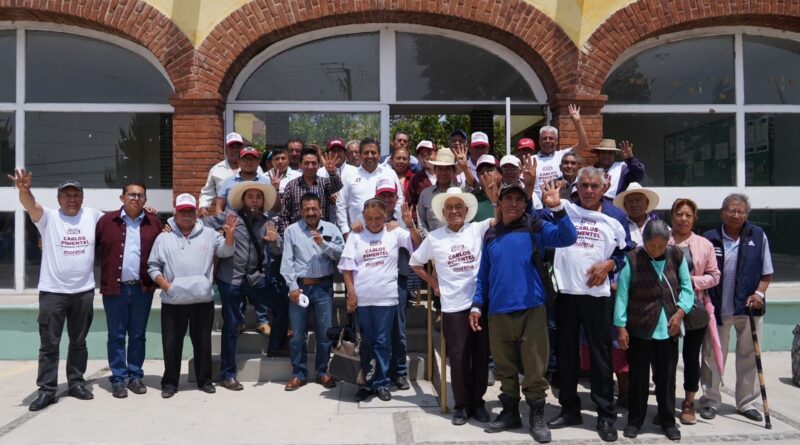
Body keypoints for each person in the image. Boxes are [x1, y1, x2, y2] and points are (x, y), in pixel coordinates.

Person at [469, 181, 577, 443]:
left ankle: (536, 415)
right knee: (504, 367)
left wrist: (558, 208)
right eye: (509, 199)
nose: (514, 203)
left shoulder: (535, 227)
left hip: (532, 309)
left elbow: (568, 238)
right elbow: (484, 274)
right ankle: (510, 413)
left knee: (535, 366)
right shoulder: (491, 234)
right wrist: (477, 304)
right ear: (500, 203)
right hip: (498, 311)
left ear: (525, 204)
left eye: (519, 199)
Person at [549, 166, 631, 443]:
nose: (588, 191)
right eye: (583, 185)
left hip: (598, 297)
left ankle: (606, 415)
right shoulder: (564, 209)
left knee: (600, 356)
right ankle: (570, 409)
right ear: (577, 187)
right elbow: (538, 221)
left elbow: (626, 250)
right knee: (566, 355)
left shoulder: (616, 216)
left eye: (594, 186)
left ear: (603, 188)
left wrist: (610, 264)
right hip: (566, 293)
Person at [9, 171, 103, 411]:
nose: (72, 199)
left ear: (82, 198)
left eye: (76, 195)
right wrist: (24, 190)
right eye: (67, 195)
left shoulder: (92, 216)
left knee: (79, 342)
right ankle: (47, 390)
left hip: (83, 291)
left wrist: (149, 213)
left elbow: (118, 223)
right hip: (53, 292)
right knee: (49, 344)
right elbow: (30, 205)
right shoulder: (48, 217)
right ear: (59, 198)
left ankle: (76, 383)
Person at [410, 187, 495, 425]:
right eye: (450, 207)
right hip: (452, 305)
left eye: (459, 207)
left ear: (466, 211)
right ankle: (462, 405)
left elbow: (498, 220)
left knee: (480, 355)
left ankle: (478, 403)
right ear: (443, 212)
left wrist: (494, 199)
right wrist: (433, 283)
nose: (455, 211)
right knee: (458, 357)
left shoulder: (477, 229)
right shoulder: (435, 237)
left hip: (478, 303)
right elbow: (415, 263)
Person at [147, 193, 235, 398]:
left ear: (196, 212)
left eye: (190, 211)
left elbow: (226, 252)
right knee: (171, 343)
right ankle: (170, 383)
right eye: (182, 211)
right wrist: (166, 286)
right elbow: (152, 266)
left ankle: (205, 381)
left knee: (203, 342)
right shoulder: (163, 237)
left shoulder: (209, 234)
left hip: (202, 299)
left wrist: (230, 235)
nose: (186, 214)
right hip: (173, 300)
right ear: (175, 213)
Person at [614, 220, 695, 441]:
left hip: (668, 329)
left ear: (668, 242)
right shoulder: (632, 259)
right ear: (644, 241)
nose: (657, 250)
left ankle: (668, 421)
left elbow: (687, 288)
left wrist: (680, 313)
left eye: (661, 246)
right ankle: (635, 420)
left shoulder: (676, 256)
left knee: (666, 379)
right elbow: (622, 295)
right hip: (639, 328)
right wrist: (621, 326)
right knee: (638, 378)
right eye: (652, 245)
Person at [204, 182, 289, 390]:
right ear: (243, 200)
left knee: (281, 305)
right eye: (250, 197)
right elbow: (201, 225)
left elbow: (279, 250)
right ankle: (228, 374)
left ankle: (275, 346)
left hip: (254, 278)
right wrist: (171, 225)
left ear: (263, 202)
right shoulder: (229, 217)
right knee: (231, 326)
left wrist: (274, 241)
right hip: (230, 279)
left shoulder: (267, 222)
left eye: (258, 197)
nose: (254, 201)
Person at [699, 193, 773, 422]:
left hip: (749, 308)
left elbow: (767, 273)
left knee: (749, 356)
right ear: (722, 213)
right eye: (731, 210)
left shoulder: (757, 236)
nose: (736, 215)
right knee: (711, 356)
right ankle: (710, 400)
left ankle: (746, 403)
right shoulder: (709, 238)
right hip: (717, 308)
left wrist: (759, 294)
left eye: (741, 211)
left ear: (747, 215)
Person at [340, 199, 421, 402]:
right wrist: (351, 293)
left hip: (387, 299)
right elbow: (347, 269)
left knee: (383, 342)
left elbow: (418, 244)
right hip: (362, 299)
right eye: (369, 218)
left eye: (378, 218)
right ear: (363, 216)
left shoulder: (394, 232)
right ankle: (365, 382)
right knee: (365, 343)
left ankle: (381, 382)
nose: (374, 222)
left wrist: (410, 225)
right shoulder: (356, 236)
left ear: (385, 215)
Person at [96, 181, 163, 398]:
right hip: (115, 289)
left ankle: (135, 376)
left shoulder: (154, 222)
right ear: (122, 197)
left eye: (140, 195)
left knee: (138, 335)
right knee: (116, 335)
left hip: (143, 289)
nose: (136, 198)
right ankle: (118, 378)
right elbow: (88, 247)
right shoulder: (106, 221)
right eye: (131, 195)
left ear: (145, 199)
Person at [281, 193, 345, 391]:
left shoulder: (331, 229)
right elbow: (287, 261)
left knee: (324, 333)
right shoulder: (292, 231)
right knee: (297, 335)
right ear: (301, 211)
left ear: (320, 210)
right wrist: (292, 287)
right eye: (307, 209)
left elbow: (342, 254)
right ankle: (298, 374)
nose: (311, 212)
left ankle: (322, 372)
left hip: (323, 287)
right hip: (300, 288)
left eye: (314, 209)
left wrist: (323, 244)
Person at [668, 198, 720, 425]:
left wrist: (691, 281)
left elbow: (714, 276)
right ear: (672, 216)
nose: (683, 219)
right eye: (679, 214)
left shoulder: (704, 244)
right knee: (666, 359)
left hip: (695, 308)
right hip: (666, 308)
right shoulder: (662, 239)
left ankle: (689, 403)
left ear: (694, 218)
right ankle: (665, 403)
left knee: (691, 357)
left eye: (688, 215)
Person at [336, 138, 403, 237]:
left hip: (387, 233)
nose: (370, 156)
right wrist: (345, 231)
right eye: (366, 153)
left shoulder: (389, 173)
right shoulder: (349, 175)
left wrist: (395, 220)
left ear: (379, 155)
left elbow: (399, 199)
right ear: (360, 155)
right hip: (358, 234)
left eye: (373, 152)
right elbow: (341, 204)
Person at [279, 147, 343, 233]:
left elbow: (338, 186)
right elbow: (284, 215)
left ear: (319, 165)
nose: (310, 166)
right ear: (300, 165)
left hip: (321, 234)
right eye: (306, 163)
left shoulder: (324, 183)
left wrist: (332, 172)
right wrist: (287, 235)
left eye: (314, 163)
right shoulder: (291, 186)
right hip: (297, 234)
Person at [533, 104, 589, 198]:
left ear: (556, 141)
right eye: (544, 138)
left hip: (562, 201)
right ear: (539, 141)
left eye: (551, 138)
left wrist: (577, 122)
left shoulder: (563, 155)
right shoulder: (532, 160)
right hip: (539, 204)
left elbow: (583, 144)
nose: (548, 141)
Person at [417, 146, 471, 236]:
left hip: (459, 240)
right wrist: (431, 240)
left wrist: (465, 167)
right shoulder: (425, 194)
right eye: (440, 168)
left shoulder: (461, 190)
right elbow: (422, 225)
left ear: (453, 171)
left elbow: (474, 185)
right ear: (435, 170)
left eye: (447, 168)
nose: (443, 172)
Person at [198, 131, 255, 215]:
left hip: (251, 217)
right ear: (226, 149)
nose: (235, 150)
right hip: (226, 218)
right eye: (231, 147)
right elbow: (207, 192)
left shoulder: (255, 168)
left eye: (238, 147)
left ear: (242, 148)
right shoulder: (216, 170)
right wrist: (203, 207)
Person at [215, 146, 270, 213]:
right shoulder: (228, 181)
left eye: (253, 158)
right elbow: (219, 207)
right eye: (245, 159)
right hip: (233, 219)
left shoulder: (266, 182)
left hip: (259, 218)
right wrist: (222, 218)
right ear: (239, 161)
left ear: (258, 161)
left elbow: (273, 208)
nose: (249, 162)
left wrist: (276, 189)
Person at [613, 182, 660, 247]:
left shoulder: (658, 225)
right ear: (625, 206)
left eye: (638, 200)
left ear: (647, 203)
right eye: (630, 201)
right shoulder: (619, 227)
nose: (634, 204)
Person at [407, 140, 436, 207]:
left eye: (429, 153)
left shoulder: (446, 173)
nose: (427, 157)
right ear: (418, 158)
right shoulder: (415, 180)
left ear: (435, 154)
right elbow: (411, 204)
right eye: (423, 155)